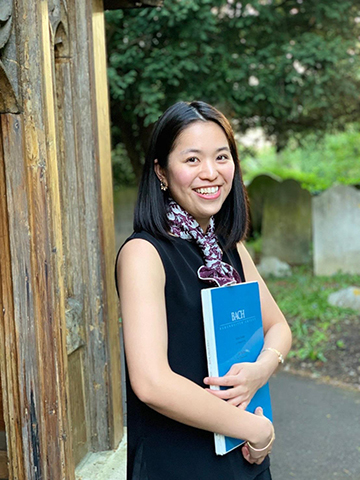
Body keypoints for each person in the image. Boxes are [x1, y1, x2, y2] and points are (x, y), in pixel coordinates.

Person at [115, 101, 292, 480]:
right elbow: (151, 383)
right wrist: (253, 429)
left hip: (243, 456)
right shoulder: (144, 253)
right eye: (192, 160)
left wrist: (259, 371)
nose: (210, 173)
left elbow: (279, 327)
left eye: (221, 157)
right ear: (161, 171)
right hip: (181, 461)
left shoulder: (229, 245)